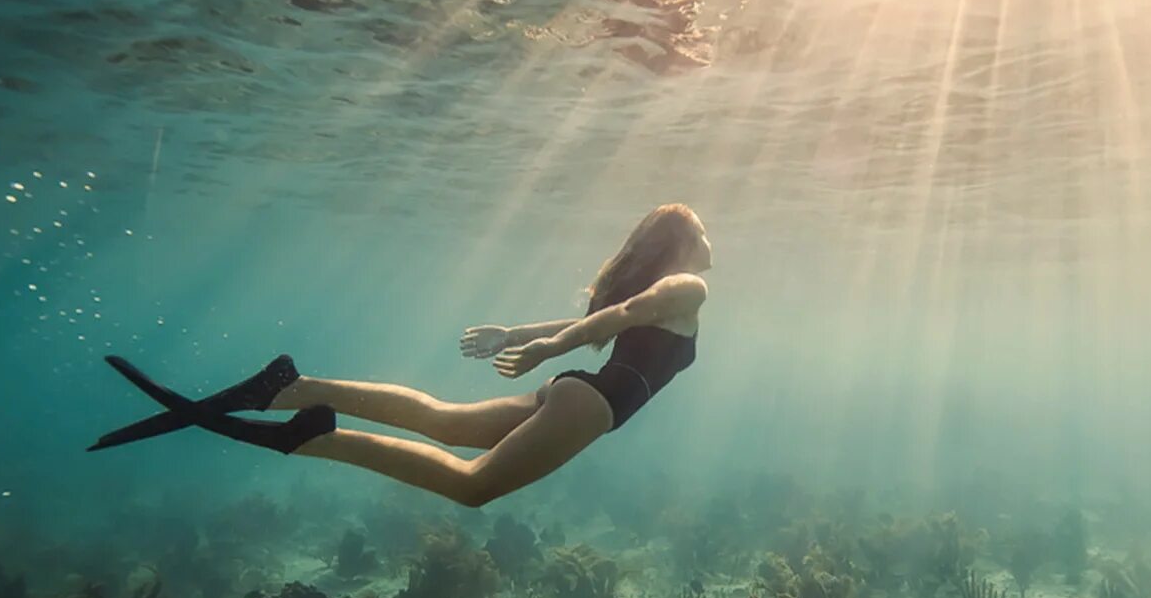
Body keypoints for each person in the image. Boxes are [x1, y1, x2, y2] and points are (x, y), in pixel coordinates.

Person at [89, 203, 712, 508]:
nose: (711, 242)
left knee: (443, 420)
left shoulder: (666, 297)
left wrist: (515, 334)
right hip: (589, 403)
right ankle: (313, 439)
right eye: (702, 232)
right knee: (471, 487)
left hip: (578, 391)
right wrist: (542, 346)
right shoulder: (689, 289)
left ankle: (292, 389)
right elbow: (619, 317)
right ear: (680, 246)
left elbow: (599, 319)